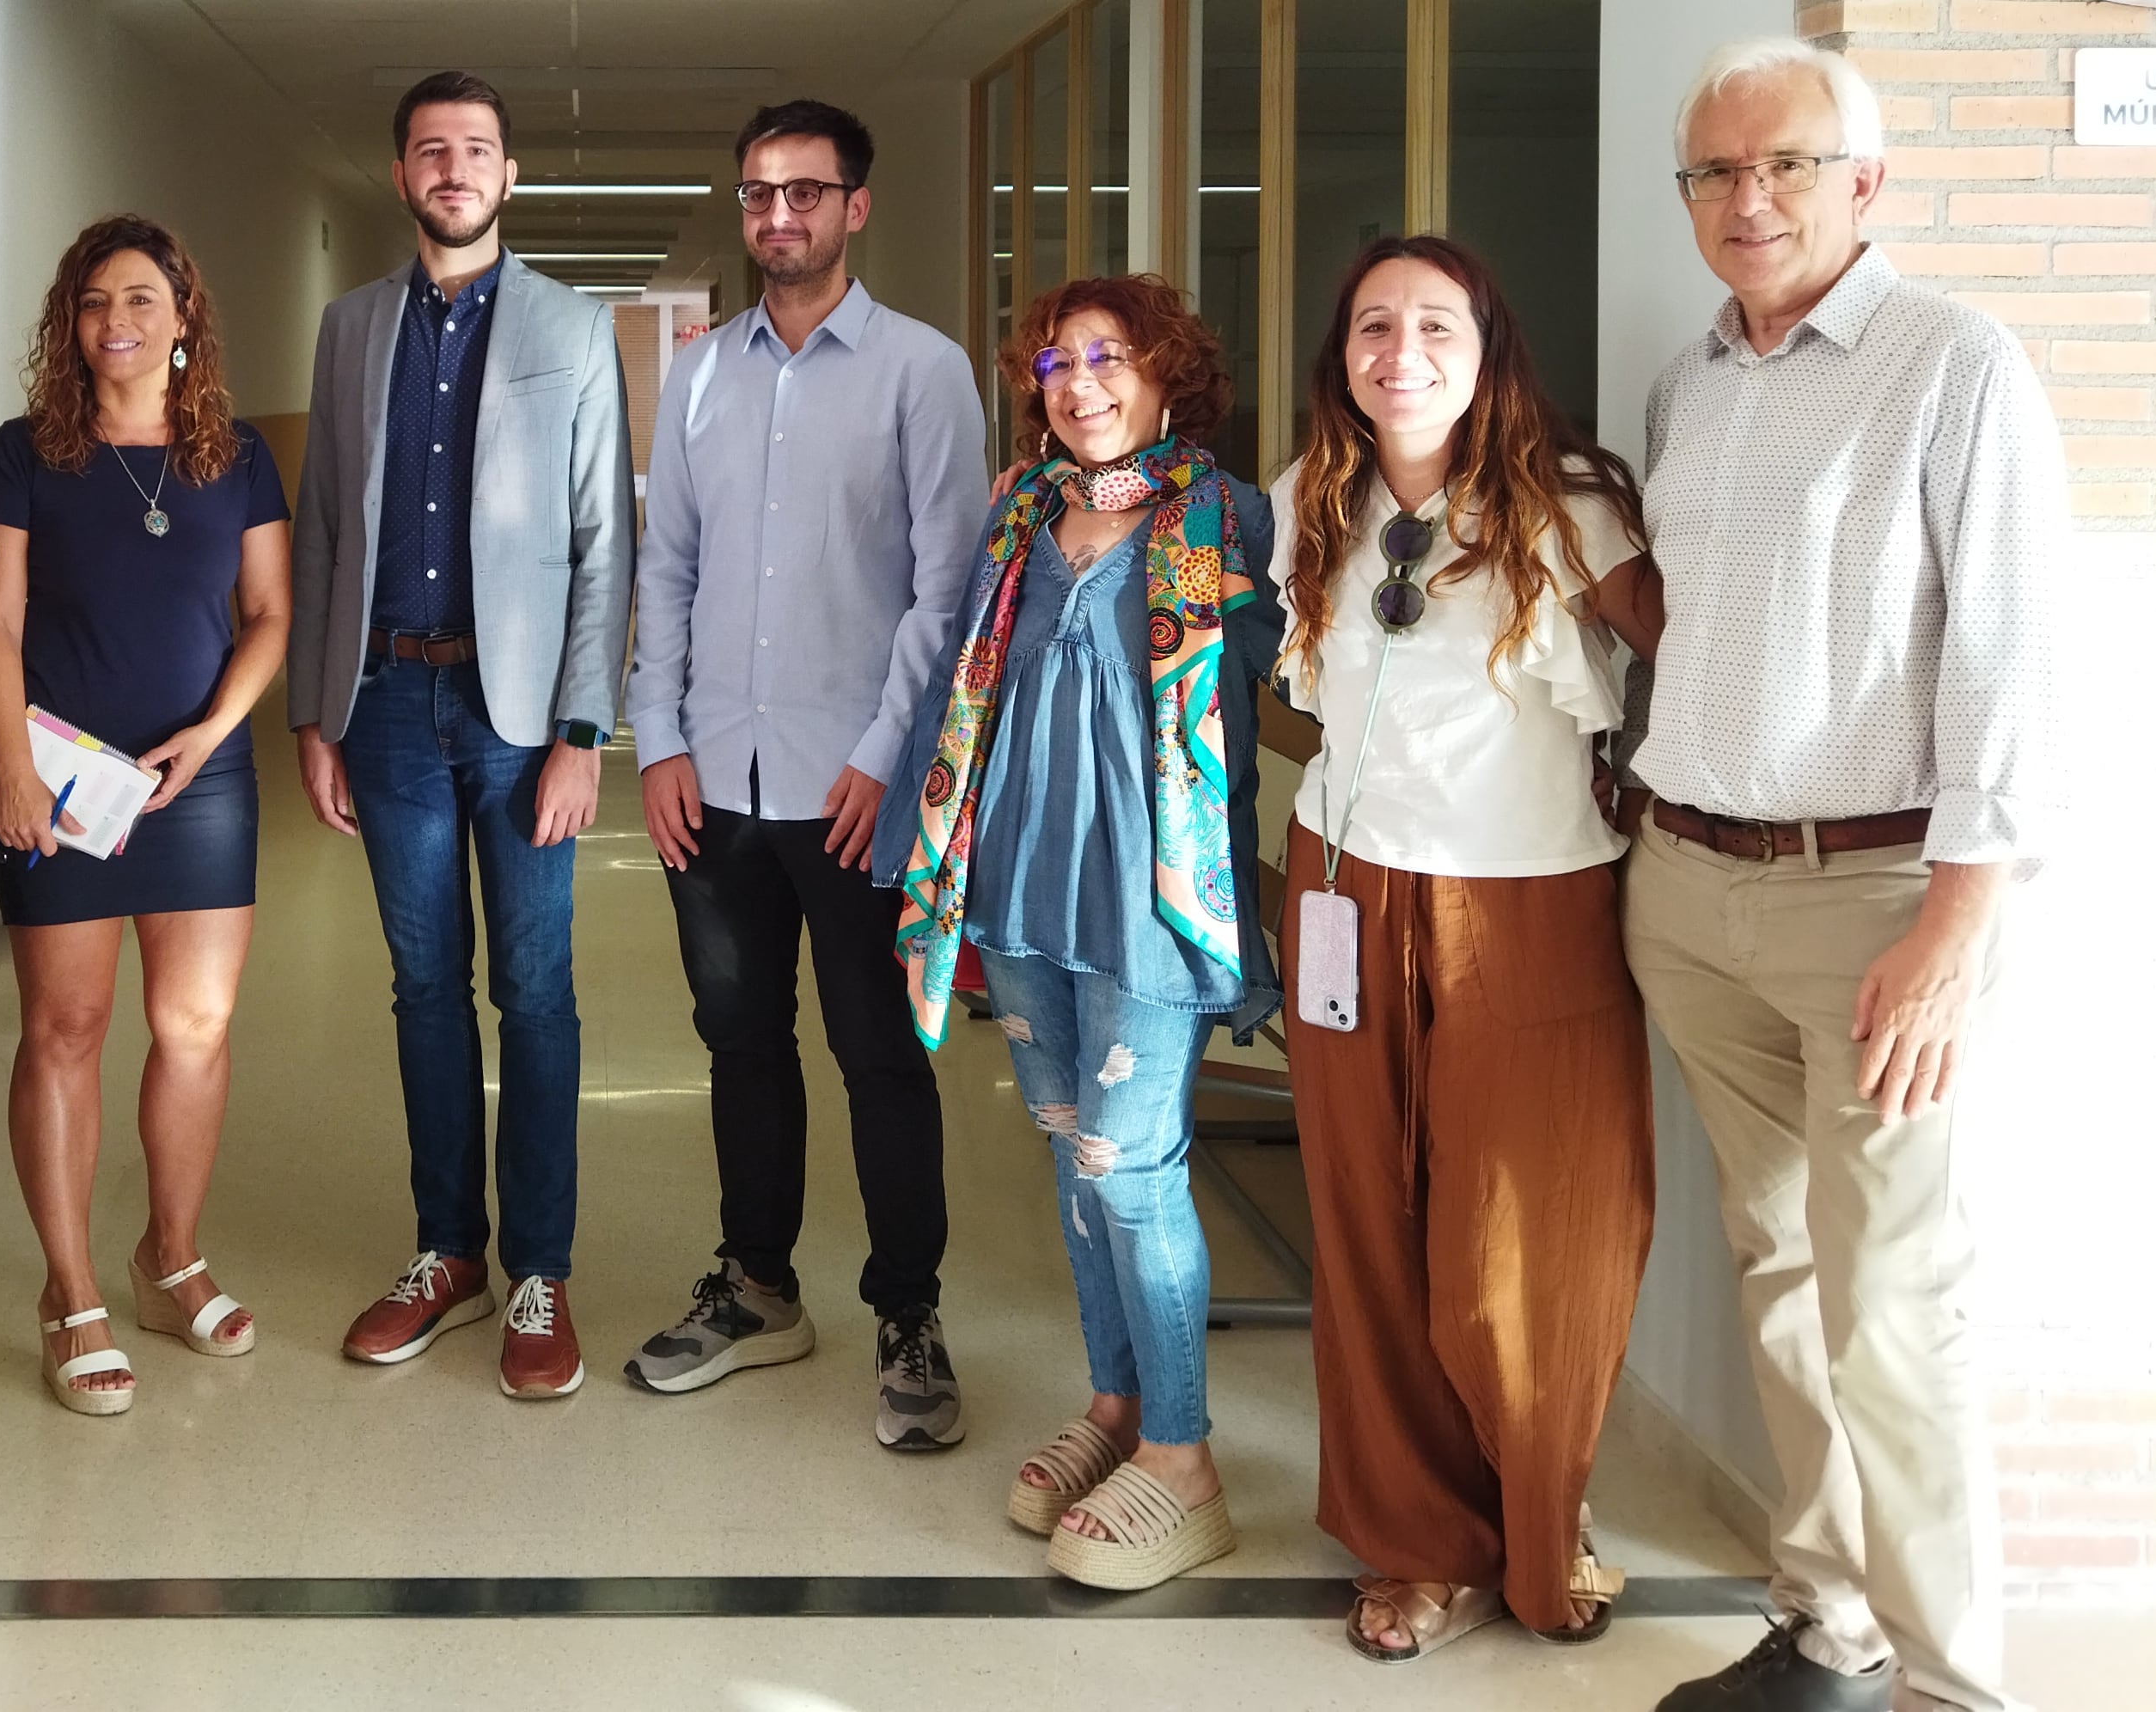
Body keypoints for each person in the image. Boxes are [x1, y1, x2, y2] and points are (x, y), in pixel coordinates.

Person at [1626, 38, 2066, 1712]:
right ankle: (1827, 1629)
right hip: (1689, 897)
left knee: (1892, 1311)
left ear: (1860, 182)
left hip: (1875, 908)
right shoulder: (1692, 385)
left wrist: (1960, 915)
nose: (1747, 199)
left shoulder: (1952, 367)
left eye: (1784, 165)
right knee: (1777, 1272)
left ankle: (1954, 1687)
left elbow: (2015, 659)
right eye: (1714, 174)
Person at [1269, 235, 1662, 1663]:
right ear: (1344, 359)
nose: (1402, 353)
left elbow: (1695, 662)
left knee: (1526, 1239)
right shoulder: (1306, 499)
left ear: (1487, 350)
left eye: (1437, 325)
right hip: (1343, 892)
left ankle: (1543, 1529)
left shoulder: (1572, 510)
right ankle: (1415, 1545)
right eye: (1374, 326)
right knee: (1368, 1229)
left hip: (1530, 901)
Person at [890, 274, 1281, 1591]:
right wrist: (924, 876)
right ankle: (1115, 1408)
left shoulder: (1221, 513)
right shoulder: (1018, 509)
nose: (1082, 384)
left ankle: (1187, 1457)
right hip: (1019, 888)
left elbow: (1260, 676)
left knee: (1131, 1165)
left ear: (1169, 372)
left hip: (1154, 901)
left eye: (1111, 358)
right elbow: (965, 681)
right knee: (1070, 1158)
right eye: (1057, 363)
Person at [623, 99, 986, 1449]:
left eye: (806, 193)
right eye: (760, 194)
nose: (780, 216)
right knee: (740, 1044)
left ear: (855, 208)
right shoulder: (705, 371)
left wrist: (887, 757)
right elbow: (670, 568)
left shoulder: (921, 372)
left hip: (854, 790)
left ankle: (907, 1309)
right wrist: (655, 735)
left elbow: (944, 592)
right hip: (717, 779)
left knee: (880, 1054)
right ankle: (761, 1287)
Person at [290, 69, 633, 1399]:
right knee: (424, 990)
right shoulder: (349, 327)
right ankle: (448, 1251)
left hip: (519, 717)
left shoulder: (569, 322)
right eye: (431, 150)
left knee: (534, 992)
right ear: (402, 176)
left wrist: (581, 732)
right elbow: (324, 527)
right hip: (385, 706)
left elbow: (605, 538)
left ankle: (540, 1268)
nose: (454, 169)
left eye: (477, 150)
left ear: (508, 177)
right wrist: (317, 717)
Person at [0, 216, 293, 1416]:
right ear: (71, 323)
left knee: (195, 1024)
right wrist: (9, 766)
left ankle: (171, 1255)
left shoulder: (237, 454)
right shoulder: (23, 453)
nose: (119, 321)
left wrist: (214, 733)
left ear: (185, 314)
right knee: (66, 1024)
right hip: (60, 775)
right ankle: (71, 1293)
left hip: (198, 778)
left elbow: (266, 614)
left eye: (143, 297)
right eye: (96, 301)